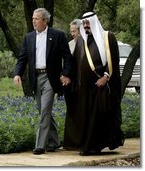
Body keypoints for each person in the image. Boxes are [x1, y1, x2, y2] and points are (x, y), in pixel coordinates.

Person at [13, 8, 73, 155]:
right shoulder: (29, 37)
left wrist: (66, 74)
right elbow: (23, 58)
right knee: (43, 111)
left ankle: (41, 145)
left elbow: (67, 57)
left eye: (36, 19)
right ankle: (54, 141)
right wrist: (17, 73)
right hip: (36, 78)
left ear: (45, 20)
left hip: (51, 78)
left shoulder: (57, 36)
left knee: (45, 110)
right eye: (33, 18)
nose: (33, 21)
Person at [71, 11, 124, 155]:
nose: (86, 26)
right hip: (85, 88)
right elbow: (74, 61)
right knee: (87, 117)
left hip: (100, 86)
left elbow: (113, 59)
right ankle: (87, 145)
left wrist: (105, 76)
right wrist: (67, 76)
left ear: (94, 22)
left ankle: (93, 147)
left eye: (88, 23)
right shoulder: (81, 40)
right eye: (84, 23)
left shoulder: (107, 37)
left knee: (98, 117)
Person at [62, 19, 82, 150]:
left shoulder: (86, 45)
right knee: (71, 111)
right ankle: (71, 141)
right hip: (70, 83)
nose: (72, 34)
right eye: (71, 31)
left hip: (81, 83)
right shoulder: (69, 44)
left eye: (74, 31)